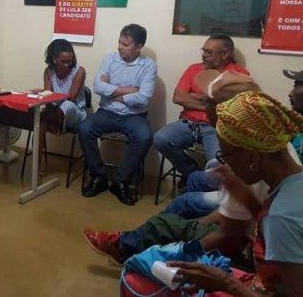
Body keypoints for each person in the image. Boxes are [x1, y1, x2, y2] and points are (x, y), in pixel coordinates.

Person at [124, 91, 303, 297]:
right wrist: (247, 201)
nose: (225, 165)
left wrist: (226, 283)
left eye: (224, 155)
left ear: (253, 157)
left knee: (136, 283)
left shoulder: (280, 218)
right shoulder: (291, 185)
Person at [84, 70, 266, 265]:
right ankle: (160, 232)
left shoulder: (247, 157)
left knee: (177, 210)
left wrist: (176, 251)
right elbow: (178, 97)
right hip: (185, 127)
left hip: (246, 222)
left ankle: (132, 243)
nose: (204, 106)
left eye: (208, 103)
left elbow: (233, 229)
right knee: (193, 176)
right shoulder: (252, 135)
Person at [78, 24, 157, 205]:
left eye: (125, 44)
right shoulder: (110, 59)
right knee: (84, 128)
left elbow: (144, 98)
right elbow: (98, 86)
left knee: (144, 137)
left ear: (139, 46)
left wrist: (112, 91)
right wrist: (129, 90)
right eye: (119, 42)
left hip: (134, 116)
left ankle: (121, 181)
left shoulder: (149, 66)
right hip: (107, 111)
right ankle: (99, 177)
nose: (120, 47)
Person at [154, 34, 249, 183]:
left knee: (217, 164)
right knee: (161, 139)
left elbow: (235, 108)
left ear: (225, 54)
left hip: (217, 127)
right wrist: (214, 103)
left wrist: (195, 96)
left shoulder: (240, 75)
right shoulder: (194, 69)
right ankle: (193, 174)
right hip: (188, 123)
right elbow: (178, 97)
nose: (203, 55)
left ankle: (198, 182)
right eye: (203, 51)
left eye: (209, 52)